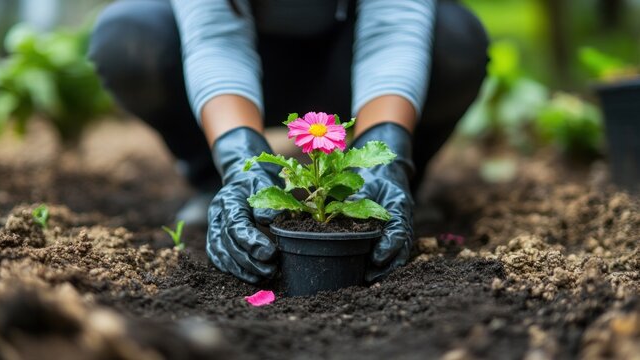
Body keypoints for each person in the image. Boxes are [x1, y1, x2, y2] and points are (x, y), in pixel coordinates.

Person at [88, 0, 488, 284]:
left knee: (456, 40)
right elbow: (215, 40)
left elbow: (395, 30)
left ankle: (388, 191)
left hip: (346, 58)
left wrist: (386, 158)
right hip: (251, 66)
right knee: (129, 35)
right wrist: (240, 162)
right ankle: (219, 182)